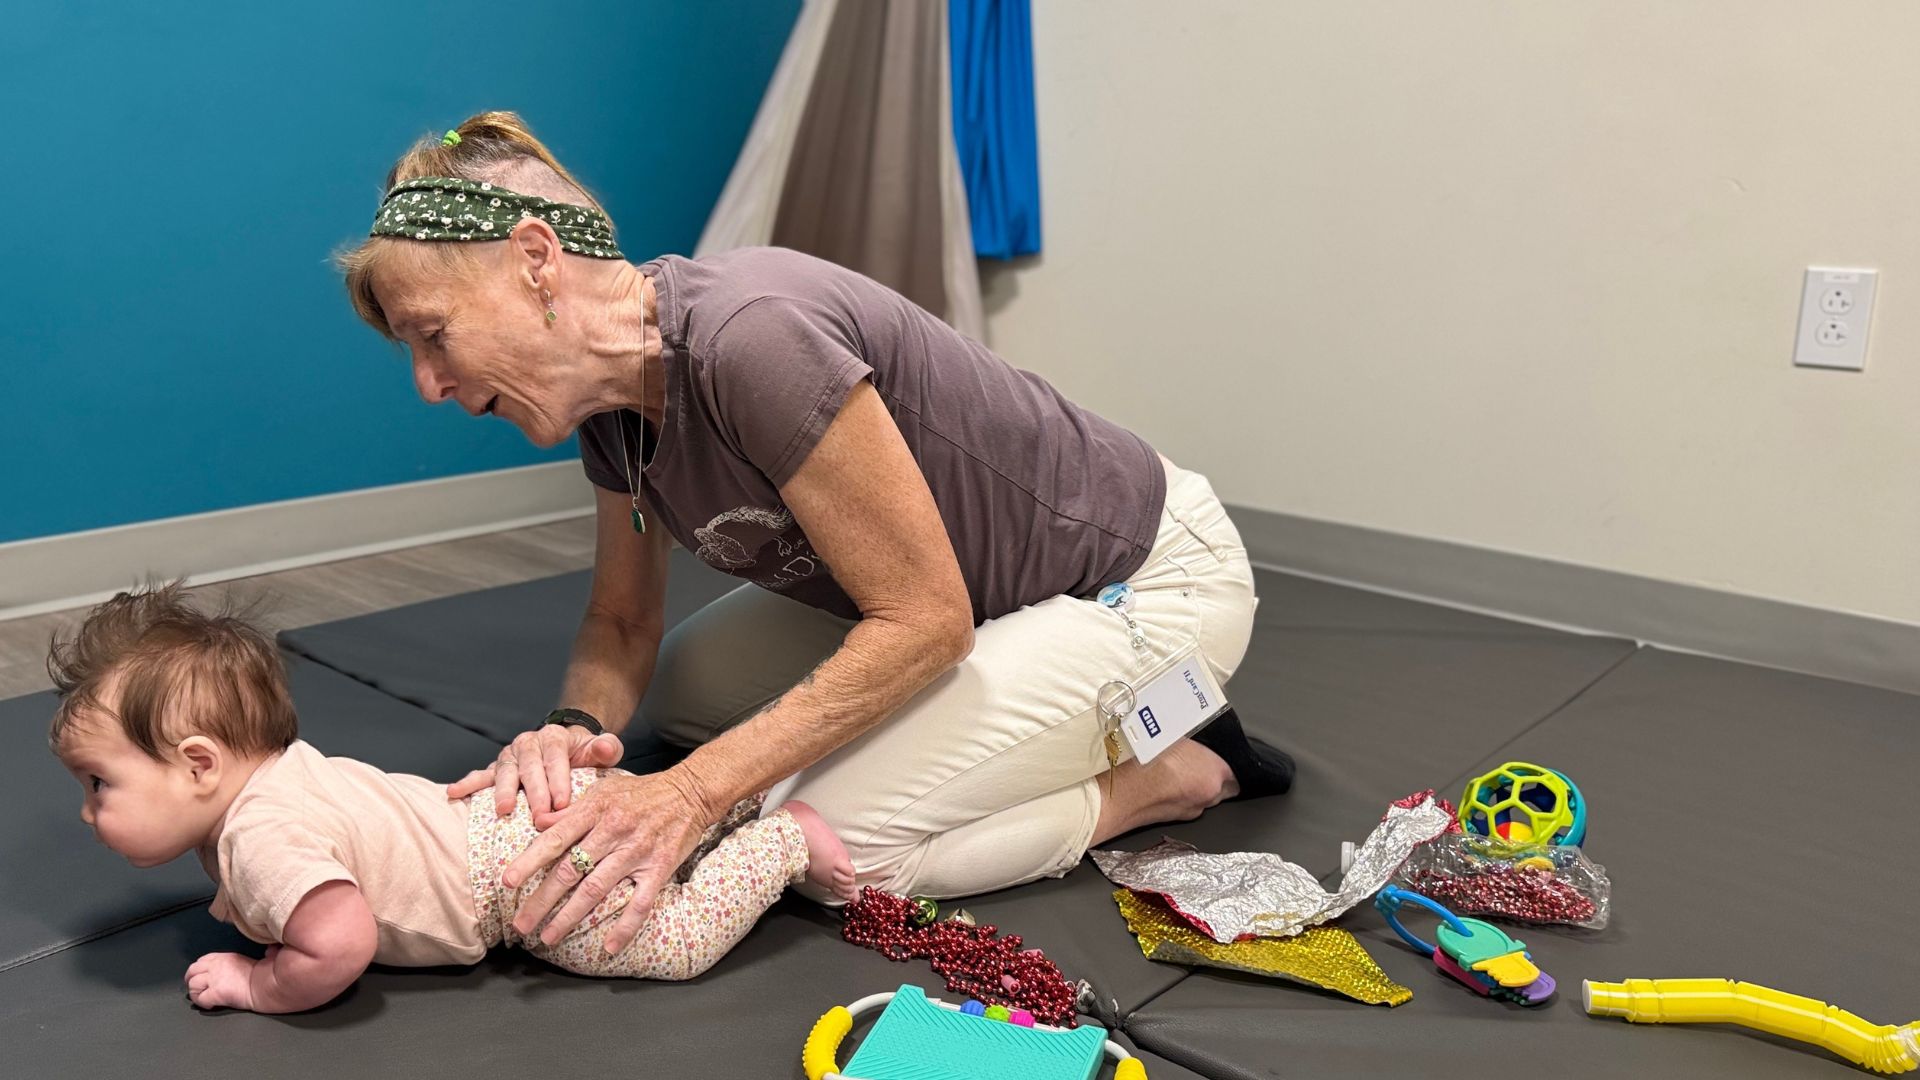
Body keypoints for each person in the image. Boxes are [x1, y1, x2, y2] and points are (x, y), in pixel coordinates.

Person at [335, 111, 1292, 961]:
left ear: (537, 261)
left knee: (832, 838)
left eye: (432, 335)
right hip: (969, 595)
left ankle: (1157, 776)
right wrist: (570, 732)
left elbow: (924, 621)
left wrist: (692, 796)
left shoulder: (752, 337)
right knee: (684, 696)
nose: (429, 383)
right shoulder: (612, 410)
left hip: (1141, 582)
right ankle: (1036, 722)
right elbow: (621, 622)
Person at [45, 584, 855, 1013]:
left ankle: (781, 837)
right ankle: (729, 810)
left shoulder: (260, 834)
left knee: (667, 942)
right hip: (512, 810)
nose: (87, 813)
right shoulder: (286, 769)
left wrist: (261, 985)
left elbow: (340, 940)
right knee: (642, 842)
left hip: (517, 880)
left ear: (197, 765)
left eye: (99, 784)